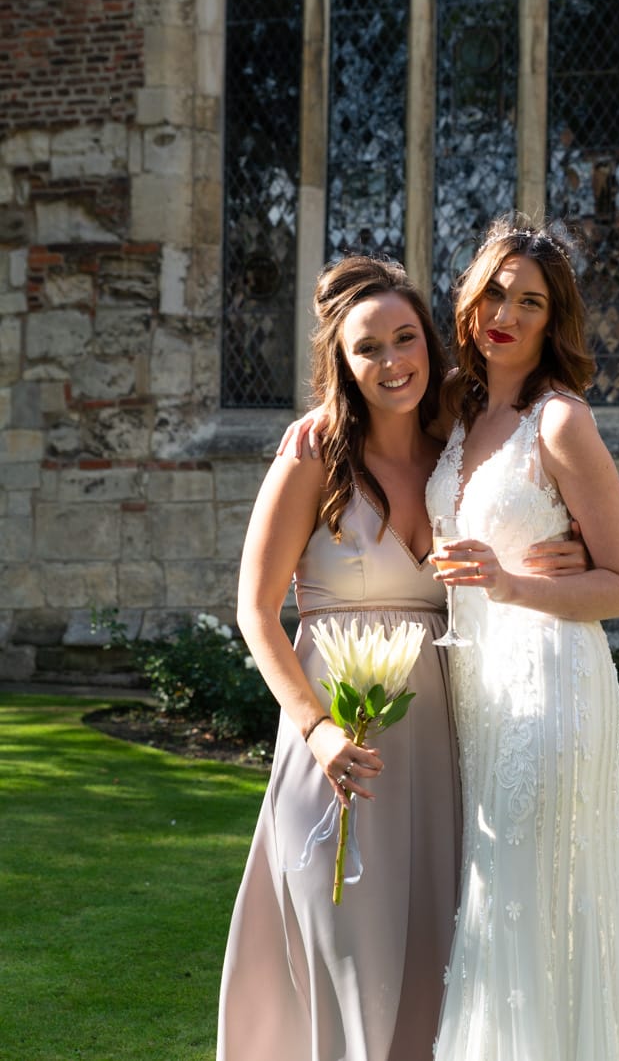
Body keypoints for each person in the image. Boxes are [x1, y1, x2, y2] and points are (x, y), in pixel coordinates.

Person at [217, 253, 587, 1061]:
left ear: (431, 343)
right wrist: (316, 733)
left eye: (405, 339)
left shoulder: (457, 450)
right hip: (341, 737)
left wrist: (550, 561)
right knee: (348, 949)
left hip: (446, 740)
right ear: (342, 365)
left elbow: (528, 531)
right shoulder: (314, 454)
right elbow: (254, 610)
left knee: (436, 961)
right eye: (368, 348)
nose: (392, 362)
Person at [425, 213, 619, 1060]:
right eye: (494, 293)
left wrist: (513, 582)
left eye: (530, 301)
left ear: (555, 320)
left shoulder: (560, 421)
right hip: (478, 690)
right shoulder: (456, 410)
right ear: (470, 301)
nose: (505, 312)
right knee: (504, 904)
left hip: (551, 689)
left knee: (525, 906)